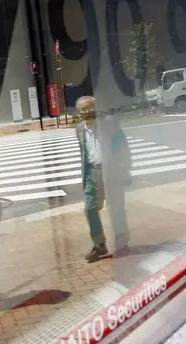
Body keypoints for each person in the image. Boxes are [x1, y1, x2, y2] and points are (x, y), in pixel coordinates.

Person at [75, 96, 132, 263]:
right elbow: (84, 154)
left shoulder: (109, 125)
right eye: (83, 110)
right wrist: (86, 177)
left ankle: (122, 244)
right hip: (92, 173)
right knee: (90, 208)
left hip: (111, 171)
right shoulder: (79, 130)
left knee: (116, 208)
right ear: (78, 113)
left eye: (90, 108)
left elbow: (123, 146)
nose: (87, 112)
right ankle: (100, 245)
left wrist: (124, 168)